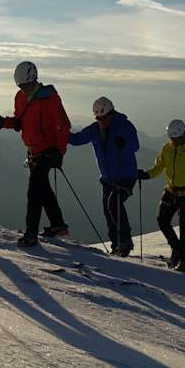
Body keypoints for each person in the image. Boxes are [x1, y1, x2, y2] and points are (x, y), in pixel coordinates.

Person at [0, 61, 71, 247]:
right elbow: (20, 122)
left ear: (34, 79)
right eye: (21, 86)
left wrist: (59, 152)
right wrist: (3, 122)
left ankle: (31, 233)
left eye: (26, 86)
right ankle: (58, 224)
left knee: (34, 190)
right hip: (34, 151)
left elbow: (64, 125)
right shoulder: (20, 97)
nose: (24, 89)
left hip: (48, 151)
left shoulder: (50, 97)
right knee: (42, 188)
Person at [69, 96, 140, 256]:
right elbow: (77, 139)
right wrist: (60, 132)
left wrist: (124, 143)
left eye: (104, 118)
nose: (101, 121)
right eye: (98, 118)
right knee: (108, 209)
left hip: (126, 176)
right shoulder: (96, 129)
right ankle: (117, 244)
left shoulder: (124, 126)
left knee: (113, 204)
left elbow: (135, 145)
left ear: (111, 113)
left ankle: (125, 241)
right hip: (108, 179)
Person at [138, 119, 185, 272]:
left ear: (183, 135)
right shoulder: (167, 149)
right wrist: (146, 175)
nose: (173, 141)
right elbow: (159, 167)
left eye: (176, 138)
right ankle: (177, 249)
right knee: (162, 219)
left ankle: (184, 262)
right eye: (171, 138)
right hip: (172, 190)